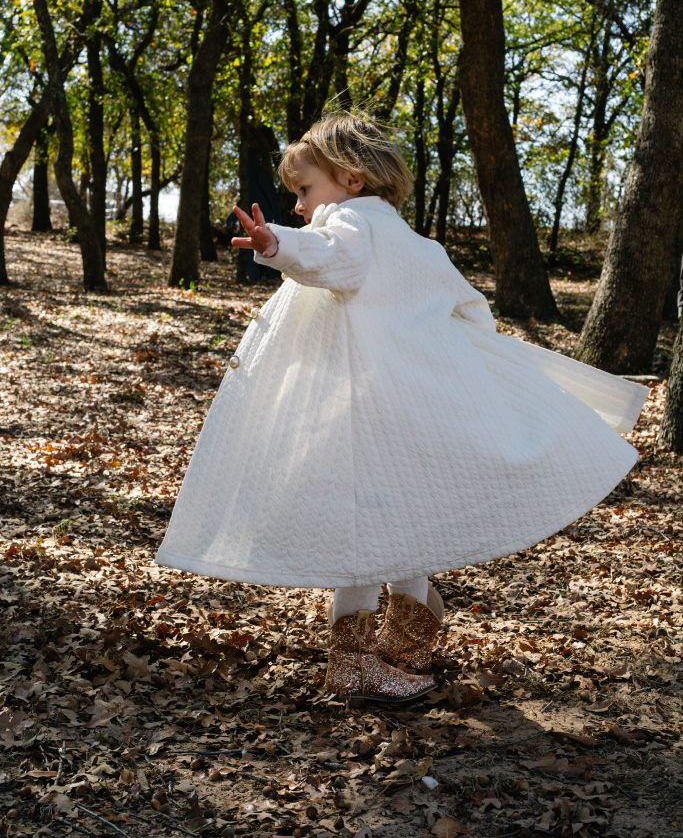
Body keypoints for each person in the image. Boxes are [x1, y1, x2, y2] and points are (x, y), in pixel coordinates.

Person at [155, 111, 648, 707]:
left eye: (306, 190)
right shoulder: (421, 247)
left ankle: (359, 664)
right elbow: (469, 312)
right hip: (404, 415)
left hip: (360, 420)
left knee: (361, 531)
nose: (301, 206)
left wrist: (276, 244)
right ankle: (409, 633)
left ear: (352, 180)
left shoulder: (351, 225)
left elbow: (326, 255)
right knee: (399, 521)